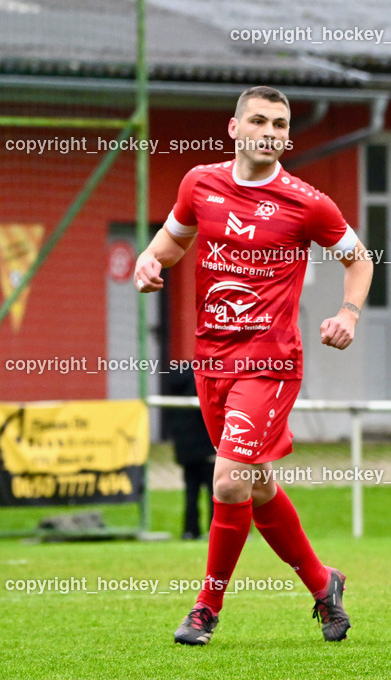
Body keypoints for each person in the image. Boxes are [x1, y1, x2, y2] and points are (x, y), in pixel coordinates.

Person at [134, 86, 373, 646]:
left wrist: (349, 313)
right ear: (234, 129)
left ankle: (205, 609)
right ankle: (322, 582)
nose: (270, 131)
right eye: (259, 120)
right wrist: (148, 259)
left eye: (281, 123)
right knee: (256, 483)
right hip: (210, 361)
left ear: (288, 137)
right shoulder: (199, 183)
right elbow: (172, 241)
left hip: (269, 363)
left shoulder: (307, 202)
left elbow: (358, 260)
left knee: (229, 476)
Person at [166, 365, 216, 540]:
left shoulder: (174, 389)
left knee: (191, 494)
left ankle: (190, 531)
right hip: (208, 449)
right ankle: (215, 531)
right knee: (215, 493)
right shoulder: (204, 384)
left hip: (186, 451)